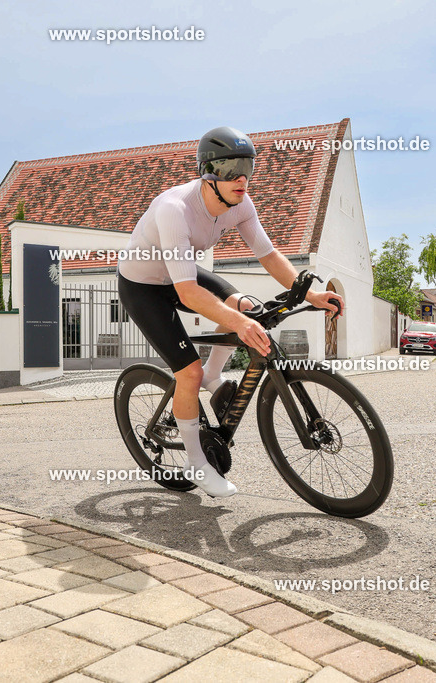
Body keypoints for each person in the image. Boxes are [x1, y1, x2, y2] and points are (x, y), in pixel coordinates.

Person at [117, 126, 344, 498]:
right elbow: (187, 293)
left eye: (248, 168)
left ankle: (215, 375)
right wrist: (236, 323)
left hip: (182, 271)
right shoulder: (175, 209)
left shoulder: (241, 203)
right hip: (143, 285)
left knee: (248, 307)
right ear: (208, 171)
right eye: (230, 168)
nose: (242, 178)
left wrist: (313, 295)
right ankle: (196, 462)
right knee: (187, 372)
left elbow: (268, 254)